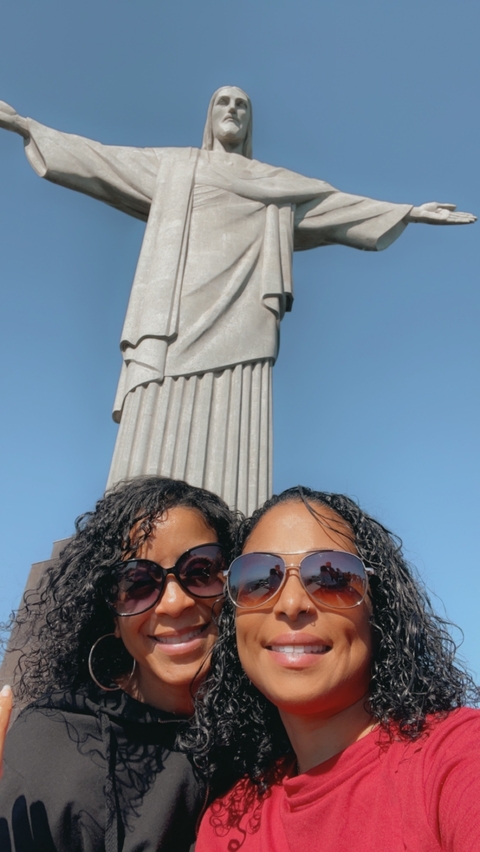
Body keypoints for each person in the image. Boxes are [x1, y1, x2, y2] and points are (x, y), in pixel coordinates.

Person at [0, 91, 475, 515]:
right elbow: (99, 159)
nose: (232, 110)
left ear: (249, 122)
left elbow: (336, 208)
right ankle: (134, 522)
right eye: (222, 103)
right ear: (209, 117)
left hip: (242, 317)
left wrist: (408, 212)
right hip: (171, 317)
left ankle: (231, 521)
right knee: (157, 413)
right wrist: (28, 126)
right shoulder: (175, 167)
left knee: (234, 417)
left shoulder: (275, 184)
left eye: (241, 105)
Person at [189, 486, 480, 851]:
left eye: (333, 578)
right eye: (258, 578)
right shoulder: (228, 822)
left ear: (380, 609)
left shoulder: (457, 759)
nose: (291, 603)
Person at [0, 476, 236, 852]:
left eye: (202, 571)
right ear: (110, 612)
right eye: (138, 583)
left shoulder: (272, 738)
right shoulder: (48, 747)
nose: (175, 602)